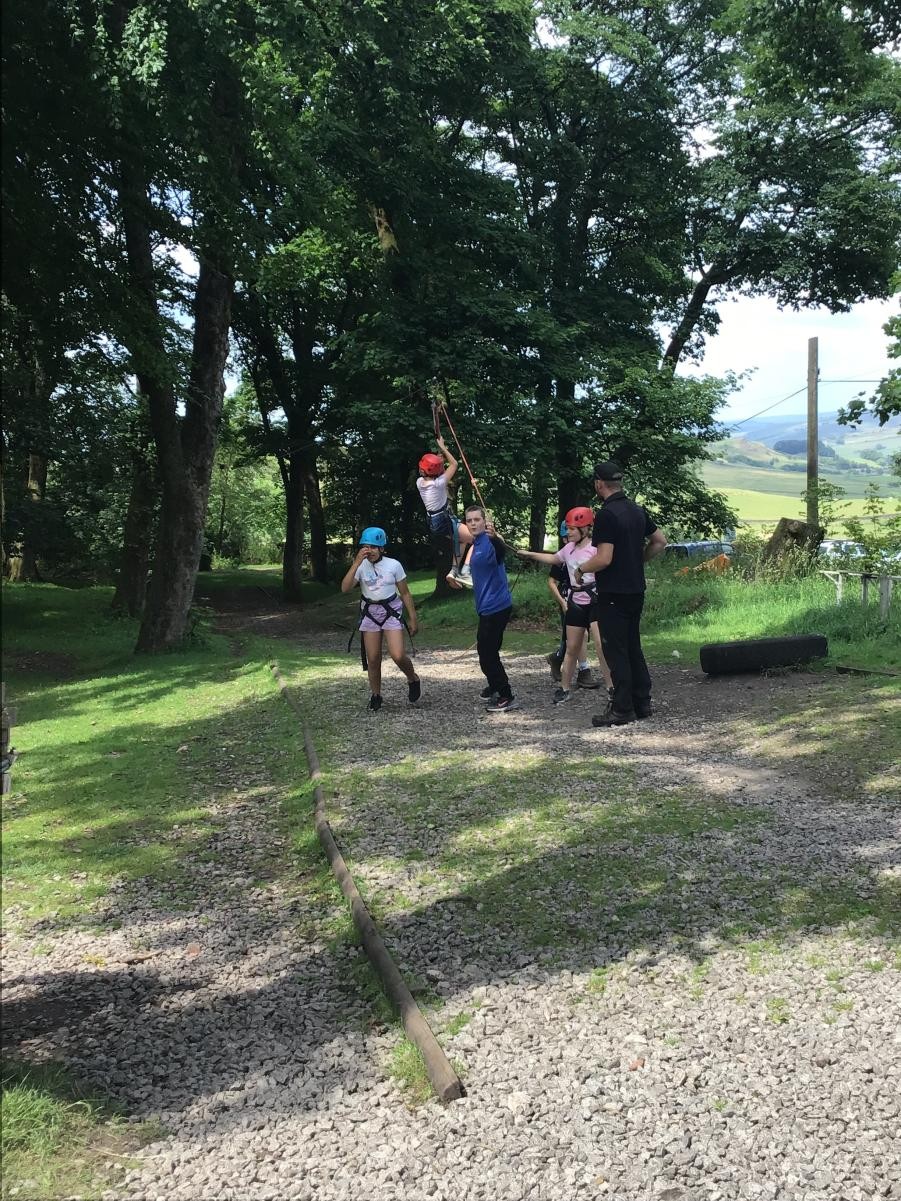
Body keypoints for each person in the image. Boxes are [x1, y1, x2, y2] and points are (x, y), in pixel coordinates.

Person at [572, 462, 667, 726]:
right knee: (633, 644)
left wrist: (581, 569)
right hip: (636, 589)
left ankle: (622, 708)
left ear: (599, 483)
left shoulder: (606, 514)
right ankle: (642, 701)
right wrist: (638, 560)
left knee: (616, 649)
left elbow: (604, 558)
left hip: (613, 591)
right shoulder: (637, 510)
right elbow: (660, 541)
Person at [516, 507, 613, 705]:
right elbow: (554, 558)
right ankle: (564, 688)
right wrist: (530, 554)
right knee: (572, 648)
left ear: (585, 529)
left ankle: (612, 687)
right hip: (576, 602)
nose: (568, 532)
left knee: (601, 646)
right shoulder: (568, 549)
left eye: (572, 529)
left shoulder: (596, 548)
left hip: (596, 601)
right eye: (568, 528)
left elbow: (606, 563)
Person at [341, 526, 421, 712]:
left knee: (398, 655)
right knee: (373, 658)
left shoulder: (394, 565)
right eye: (366, 547)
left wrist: (413, 618)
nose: (370, 551)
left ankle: (412, 678)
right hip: (370, 612)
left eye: (374, 547)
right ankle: (376, 695)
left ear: (382, 548)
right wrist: (355, 563)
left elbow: (405, 593)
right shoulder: (360, 566)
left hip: (390, 611)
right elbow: (345, 588)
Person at [463, 503, 517, 712]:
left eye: (477, 519)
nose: (473, 523)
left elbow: (501, 552)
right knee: (487, 650)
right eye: (469, 520)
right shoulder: (476, 543)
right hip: (486, 607)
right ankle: (494, 685)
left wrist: (495, 538)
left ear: (484, 521)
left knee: (486, 653)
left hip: (497, 607)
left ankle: (505, 694)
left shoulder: (491, 541)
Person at [546, 519, 600, 691]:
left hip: (586, 598)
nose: (567, 540)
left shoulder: (585, 552)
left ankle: (560, 659)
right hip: (568, 599)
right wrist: (562, 602)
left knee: (580, 637)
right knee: (576, 638)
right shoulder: (562, 557)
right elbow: (551, 582)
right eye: (565, 537)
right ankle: (582, 670)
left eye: (569, 535)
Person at [416, 437, 472, 588]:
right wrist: (443, 447)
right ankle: (466, 571)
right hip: (443, 519)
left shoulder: (420, 482)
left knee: (462, 540)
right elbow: (454, 464)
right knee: (477, 539)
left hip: (434, 522)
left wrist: (439, 458)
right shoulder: (439, 484)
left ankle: (453, 572)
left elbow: (436, 470)